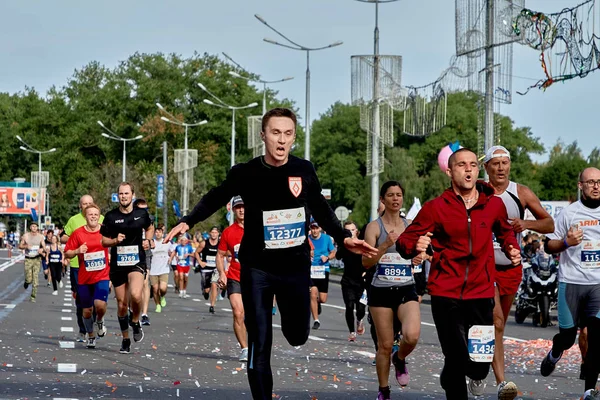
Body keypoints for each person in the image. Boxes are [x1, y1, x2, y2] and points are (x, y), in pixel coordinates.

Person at [164, 107, 377, 400]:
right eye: (275, 133)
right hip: (257, 268)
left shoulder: (303, 170)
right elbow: (217, 196)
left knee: (297, 335)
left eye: (288, 134)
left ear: (293, 138)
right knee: (260, 341)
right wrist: (187, 220)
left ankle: (295, 327)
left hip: (294, 267)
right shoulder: (246, 172)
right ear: (263, 135)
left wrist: (343, 236)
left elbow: (320, 208)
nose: (281, 140)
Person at [397, 148, 521, 400]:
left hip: (481, 291)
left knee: (480, 364)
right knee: (455, 357)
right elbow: (404, 241)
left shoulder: (494, 205)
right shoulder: (435, 208)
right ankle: (452, 378)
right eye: (462, 165)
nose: (468, 169)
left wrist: (512, 248)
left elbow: (505, 232)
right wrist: (414, 245)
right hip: (446, 293)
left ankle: (458, 372)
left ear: (478, 170)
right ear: (449, 171)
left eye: (473, 165)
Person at [483, 145, 555, 399]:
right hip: (483, 268)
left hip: (511, 269)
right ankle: (501, 381)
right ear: (486, 168)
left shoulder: (520, 192)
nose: (501, 168)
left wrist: (526, 223)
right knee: (496, 321)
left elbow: (549, 222)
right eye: (496, 163)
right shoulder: (478, 191)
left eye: (505, 163)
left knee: (497, 328)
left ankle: (481, 367)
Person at [540, 167, 600, 399]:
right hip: (571, 283)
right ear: (580, 186)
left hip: (597, 285)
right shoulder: (569, 214)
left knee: (596, 339)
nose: (596, 186)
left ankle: (588, 391)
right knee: (567, 337)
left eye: (599, 182)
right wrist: (566, 242)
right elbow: (548, 245)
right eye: (591, 182)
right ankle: (555, 353)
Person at [362, 181, 421, 400]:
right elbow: (366, 263)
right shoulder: (374, 228)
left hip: (406, 288)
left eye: (399, 195)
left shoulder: (410, 224)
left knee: (412, 335)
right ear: (383, 200)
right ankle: (384, 390)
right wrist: (385, 245)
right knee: (385, 345)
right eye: (390, 195)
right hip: (381, 291)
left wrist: (418, 255)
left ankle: (401, 358)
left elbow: (419, 250)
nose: (395, 199)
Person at [101, 182, 154, 354]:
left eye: (126, 193)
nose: (123, 196)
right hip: (118, 264)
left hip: (136, 261)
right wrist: (115, 240)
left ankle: (136, 321)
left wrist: (148, 240)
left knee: (137, 295)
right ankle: (125, 339)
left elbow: (150, 227)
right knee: (122, 305)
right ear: (117, 196)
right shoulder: (110, 216)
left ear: (133, 194)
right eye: (121, 194)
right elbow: (103, 240)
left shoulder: (141, 213)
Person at [64, 204, 110, 349]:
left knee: (100, 305)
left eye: (96, 214)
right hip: (84, 277)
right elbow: (67, 252)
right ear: (85, 216)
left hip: (102, 275)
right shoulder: (78, 233)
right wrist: (78, 250)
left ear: (99, 216)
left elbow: (115, 244)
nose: (93, 217)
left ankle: (100, 321)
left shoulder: (106, 231)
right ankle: (91, 335)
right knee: (87, 310)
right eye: (90, 214)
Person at [216, 195, 248, 361]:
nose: (242, 209)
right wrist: (222, 273)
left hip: (255, 278)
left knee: (253, 316)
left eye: (244, 206)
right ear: (234, 210)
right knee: (238, 312)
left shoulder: (258, 227)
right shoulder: (229, 232)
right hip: (235, 276)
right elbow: (220, 255)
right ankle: (244, 348)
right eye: (238, 207)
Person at [337, 221, 367, 342]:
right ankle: (352, 332)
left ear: (357, 231)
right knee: (349, 306)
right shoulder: (344, 244)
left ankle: (359, 320)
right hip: (347, 280)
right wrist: (344, 244)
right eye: (348, 231)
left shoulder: (362, 243)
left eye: (353, 230)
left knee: (360, 308)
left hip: (361, 281)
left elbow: (370, 258)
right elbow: (338, 256)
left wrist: (367, 271)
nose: (351, 232)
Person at [308, 220, 335, 329]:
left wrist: (327, 257)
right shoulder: (307, 240)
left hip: (323, 270)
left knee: (322, 298)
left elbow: (333, 252)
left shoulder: (326, 239)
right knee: (313, 293)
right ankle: (316, 320)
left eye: (316, 228)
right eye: (312, 228)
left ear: (320, 229)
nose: (314, 230)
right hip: (311, 270)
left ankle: (317, 303)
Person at [133, 198, 153, 326]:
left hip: (145, 253)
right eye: (141, 209)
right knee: (133, 285)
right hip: (131, 252)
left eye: (145, 209)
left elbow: (151, 231)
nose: (144, 212)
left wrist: (149, 241)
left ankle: (144, 314)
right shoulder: (129, 218)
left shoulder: (148, 219)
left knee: (145, 283)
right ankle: (132, 310)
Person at [195, 226, 220, 313]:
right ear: (210, 233)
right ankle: (205, 291)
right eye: (212, 232)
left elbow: (225, 254)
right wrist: (200, 262)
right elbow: (196, 253)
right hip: (205, 268)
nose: (214, 234)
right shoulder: (204, 243)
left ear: (218, 234)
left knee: (214, 284)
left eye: (215, 232)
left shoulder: (220, 244)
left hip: (216, 268)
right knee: (207, 289)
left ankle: (212, 305)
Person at [19, 222, 45, 302]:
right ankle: (27, 282)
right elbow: (20, 246)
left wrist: (42, 249)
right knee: (29, 278)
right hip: (28, 258)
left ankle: (33, 296)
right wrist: (26, 246)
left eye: (36, 226)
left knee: (35, 278)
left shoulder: (40, 237)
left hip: (37, 259)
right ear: (30, 227)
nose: (34, 228)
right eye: (33, 226)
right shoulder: (26, 236)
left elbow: (44, 247)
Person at [150, 225, 170, 313]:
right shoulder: (151, 242)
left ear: (162, 233)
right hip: (153, 269)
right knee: (155, 289)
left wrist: (171, 257)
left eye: (159, 232)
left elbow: (173, 250)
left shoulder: (167, 242)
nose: (158, 234)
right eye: (156, 232)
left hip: (164, 269)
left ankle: (162, 297)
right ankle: (157, 305)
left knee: (162, 288)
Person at [170, 233, 194, 298]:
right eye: (182, 240)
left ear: (186, 241)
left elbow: (194, 254)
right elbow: (174, 252)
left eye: (184, 240)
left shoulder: (189, 247)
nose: (183, 241)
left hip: (186, 265)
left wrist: (188, 254)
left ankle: (184, 290)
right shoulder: (178, 247)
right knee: (180, 277)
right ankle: (181, 291)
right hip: (179, 264)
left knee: (185, 279)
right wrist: (171, 258)